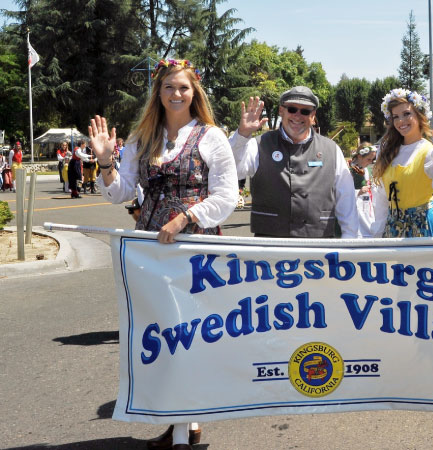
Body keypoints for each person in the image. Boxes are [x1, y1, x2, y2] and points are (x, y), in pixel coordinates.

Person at [89, 58, 242, 450]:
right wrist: (105, 160)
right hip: (152, 249)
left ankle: (182, 429)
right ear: (158, 92)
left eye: (184, 88)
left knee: (192, 334)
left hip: (196, 246)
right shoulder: (143, 138)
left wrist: (184, 219)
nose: (176, 94)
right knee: (163, 334)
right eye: (169, 87)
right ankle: (182, 423)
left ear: (195, 93)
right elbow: (120, 192)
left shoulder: (211, 136)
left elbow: (227, 197)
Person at [231, 86, 359, 238]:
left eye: (305, 111)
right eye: (292, 109)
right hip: (269, 247)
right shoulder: (258, 145)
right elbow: (232, 170)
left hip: (319, 245)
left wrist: (350, 240)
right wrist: (242, 136)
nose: (298, 116)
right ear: (281, 111)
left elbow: (347, 199)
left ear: (313, 116)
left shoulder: (331, 149)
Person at [369, 88, 433, 238]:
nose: (401, 121)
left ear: (419, 116)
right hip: (394, 227)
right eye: (395, 117)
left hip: (425, 226)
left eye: (407, 114)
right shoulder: (387, 151)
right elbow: (381, 198)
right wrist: (378, 233)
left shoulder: (429, 151)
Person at [350, 142, 377, 237]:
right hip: (355, 209)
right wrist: (359, 191)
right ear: (360, 156)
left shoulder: (367, 170)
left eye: (372, 160)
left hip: (366, 207)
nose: (370, 162)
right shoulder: (350, 170)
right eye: (368, 159)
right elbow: (342, 193)